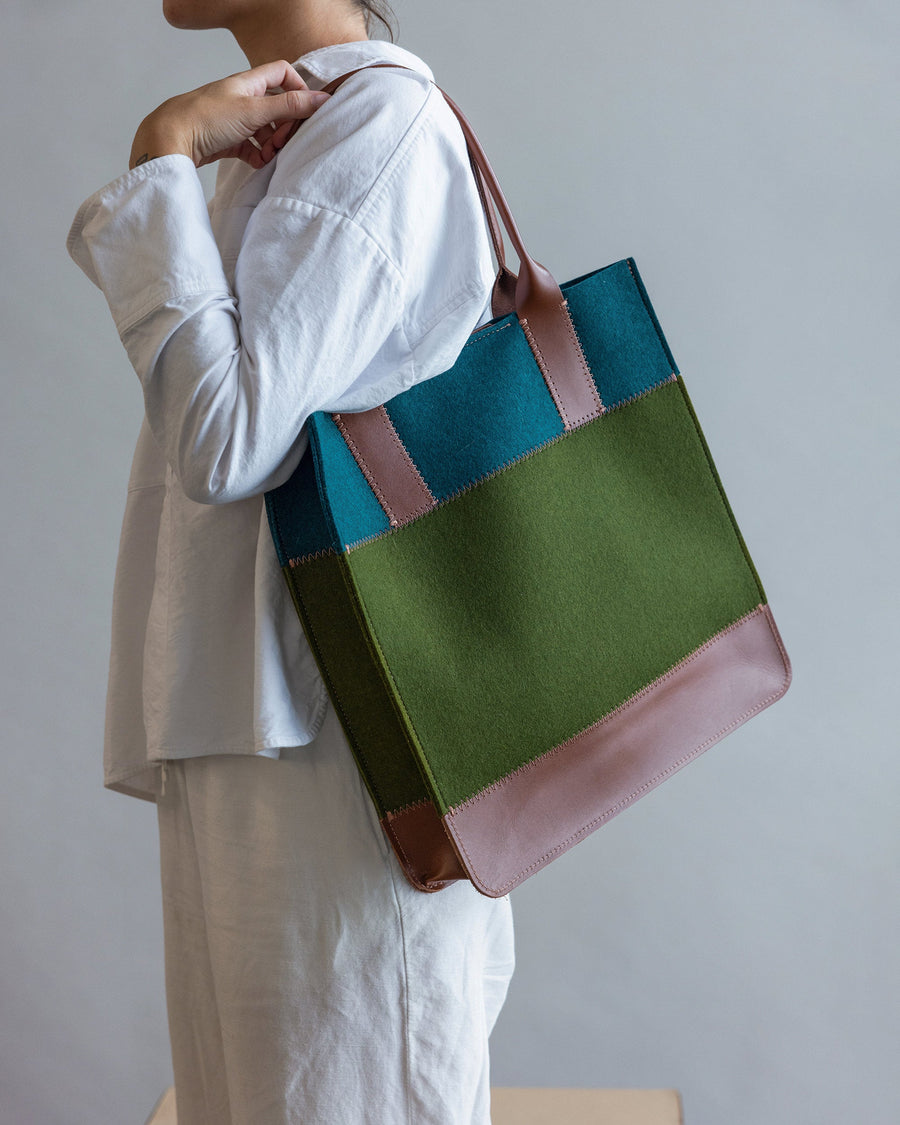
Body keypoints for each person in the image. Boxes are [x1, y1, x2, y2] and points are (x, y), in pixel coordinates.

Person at [67, 2, 515, 1122]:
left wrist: (161, 150)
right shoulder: (286, 139)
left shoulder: (383, 126)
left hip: (336, 749)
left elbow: (225, 437)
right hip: (263, 727)